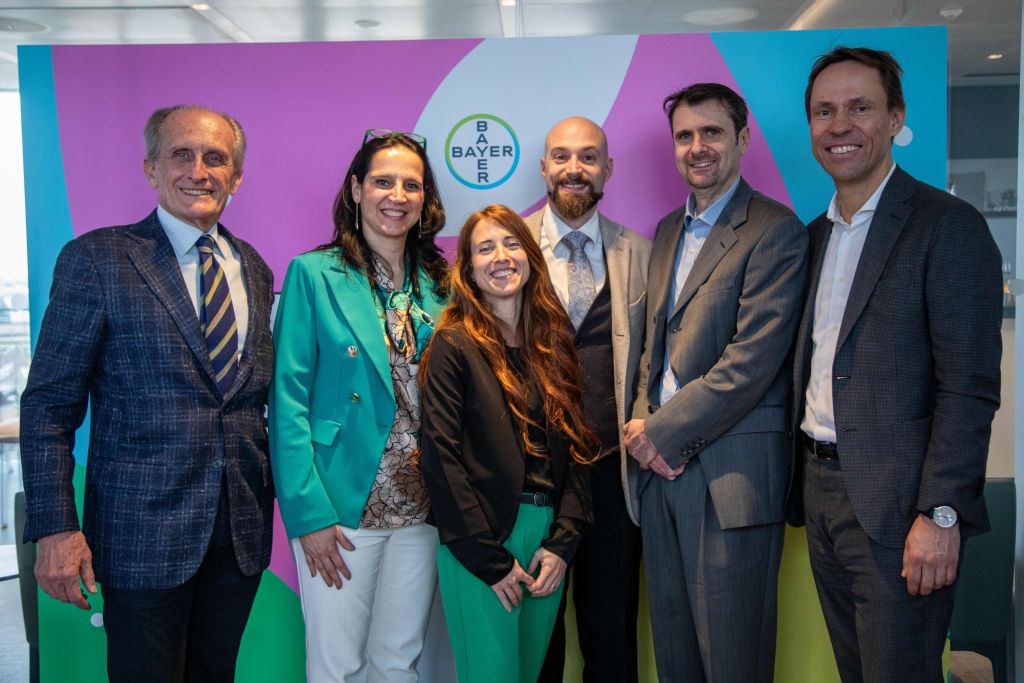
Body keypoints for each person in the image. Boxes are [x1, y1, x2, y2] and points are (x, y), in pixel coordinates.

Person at [20, 105, 275, 682]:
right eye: (182, 154)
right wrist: (56, 528)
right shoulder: (99, 259)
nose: (199, 171)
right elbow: (48, 408)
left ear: (236, 177)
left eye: (216, 158)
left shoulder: (254, 269)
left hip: (238, 536)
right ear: (151, 168)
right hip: (140, 536)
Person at [791, 47, 1002, 683]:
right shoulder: (814, 237)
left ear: (895, 118)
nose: (839, 126)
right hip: (820, 492)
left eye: (860, 108)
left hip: (902, 507)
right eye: (824, 111)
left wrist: (941, 514)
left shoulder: (948, 226)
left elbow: (968, 389)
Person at [623, 83, 808, 682]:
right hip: (659, 477)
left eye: (712, 133)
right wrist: (641, 428)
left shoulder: (775, 230)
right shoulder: (666, 232)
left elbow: (750, 362)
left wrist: (659, 435)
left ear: (743, 140)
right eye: (685, 135)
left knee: (733, 661)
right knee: (675, 656)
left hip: (730, 480)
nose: (697, 147)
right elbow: (653, 351)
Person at [269, 129, 448, 682]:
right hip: (341, 502)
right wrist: (309, 514)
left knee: (398, 661)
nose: (397, 196)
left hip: (422, 504)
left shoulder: (442, 283)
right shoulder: (313, 274)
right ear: (355, 189)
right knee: (337, 666)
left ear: (424, 199)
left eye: (411, 185)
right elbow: (287, 400)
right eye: (382, 182)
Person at [419, 204, 595, 683]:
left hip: (546, 544)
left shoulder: (553, 344)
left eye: (511, 243)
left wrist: (563, 543)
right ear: (469, 269)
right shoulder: (453, 345)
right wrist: (489, 560)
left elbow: (579, 452)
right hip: (482, 539)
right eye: (485, 248)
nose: (500, 256)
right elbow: (440, 459)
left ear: (530, 258)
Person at [524, 116, 650, 683]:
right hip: (531, 476)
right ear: (543, 167)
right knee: (536, 634)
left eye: (589, 157)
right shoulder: (507, 247)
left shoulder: (640, 254)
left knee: (611, 631)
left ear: (608, 169)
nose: (574, 169)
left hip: (612, 476)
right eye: (562, 156)